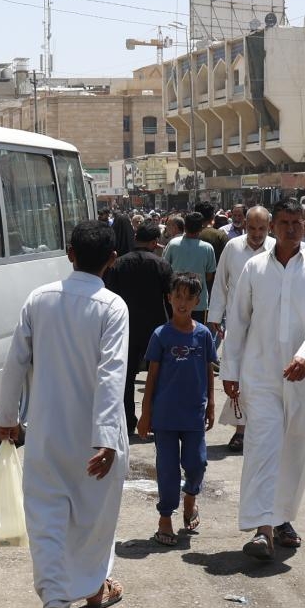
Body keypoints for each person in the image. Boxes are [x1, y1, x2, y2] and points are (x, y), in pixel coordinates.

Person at [0, 220, 129, 608]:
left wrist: (6, 417)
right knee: (95, 519)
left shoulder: (39, 299)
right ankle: (94, 588)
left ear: (69, 254)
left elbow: (15, 361)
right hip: (95, 441)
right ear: (112, 260)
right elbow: (112, 374)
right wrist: (106, 438)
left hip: (46, 434)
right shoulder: (113, 307)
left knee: (48, 521)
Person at [222, 197, 305, 561]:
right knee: (262, 446)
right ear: (273, 227)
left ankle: (283, 518)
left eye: (296, 223)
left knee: (296, 449)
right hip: (260, 375)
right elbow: (237, 320)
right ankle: (262, 529)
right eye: (284, 223)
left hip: (303, 376)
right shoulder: (254, 267)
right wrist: (230, 370)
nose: (290, 229)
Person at [136, 274, 216, 547]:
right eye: (178, 296)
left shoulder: (203, 335)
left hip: (194, 414)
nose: (182, 303)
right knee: (167, 469)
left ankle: (190, 497)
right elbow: (151, 377)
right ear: (169, 298)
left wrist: (211, 404)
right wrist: (145, 414)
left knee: (197, 463)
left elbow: (209, 370)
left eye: (189, 298)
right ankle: (165, 518)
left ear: (197, 301)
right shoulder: (161, 335)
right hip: (165, 417)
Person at [208, 205, 271, 452]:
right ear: (245, 226)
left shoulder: (276, 249)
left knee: (264, 378)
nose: (257, 234)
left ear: (269, 227)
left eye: (262, 228)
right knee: (238, 376)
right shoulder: (233, 248)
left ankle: (262, 429)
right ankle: (241, 430)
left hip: (268, 326)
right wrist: (215, 315)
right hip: (237, 324)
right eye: (252, 228)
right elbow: (220, 283)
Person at [104, 220, 174, 437]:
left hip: (126, 328)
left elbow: (109, 296)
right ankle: (154, 419)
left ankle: (128, 421)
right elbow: (170, 298)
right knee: (158, 377)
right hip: (156, 329)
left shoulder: (118, 264)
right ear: (154, 242)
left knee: (125, 379)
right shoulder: (161, 265)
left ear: (136, 238)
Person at [165, 213, 218, 322]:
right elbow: (209, 276)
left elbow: (165, 268)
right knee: (197, 330)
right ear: (201, 228)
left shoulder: (173, 244)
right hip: (198, 301)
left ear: (185, 227)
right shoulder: (208, 248)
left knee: (175, 329)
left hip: (176, 299)